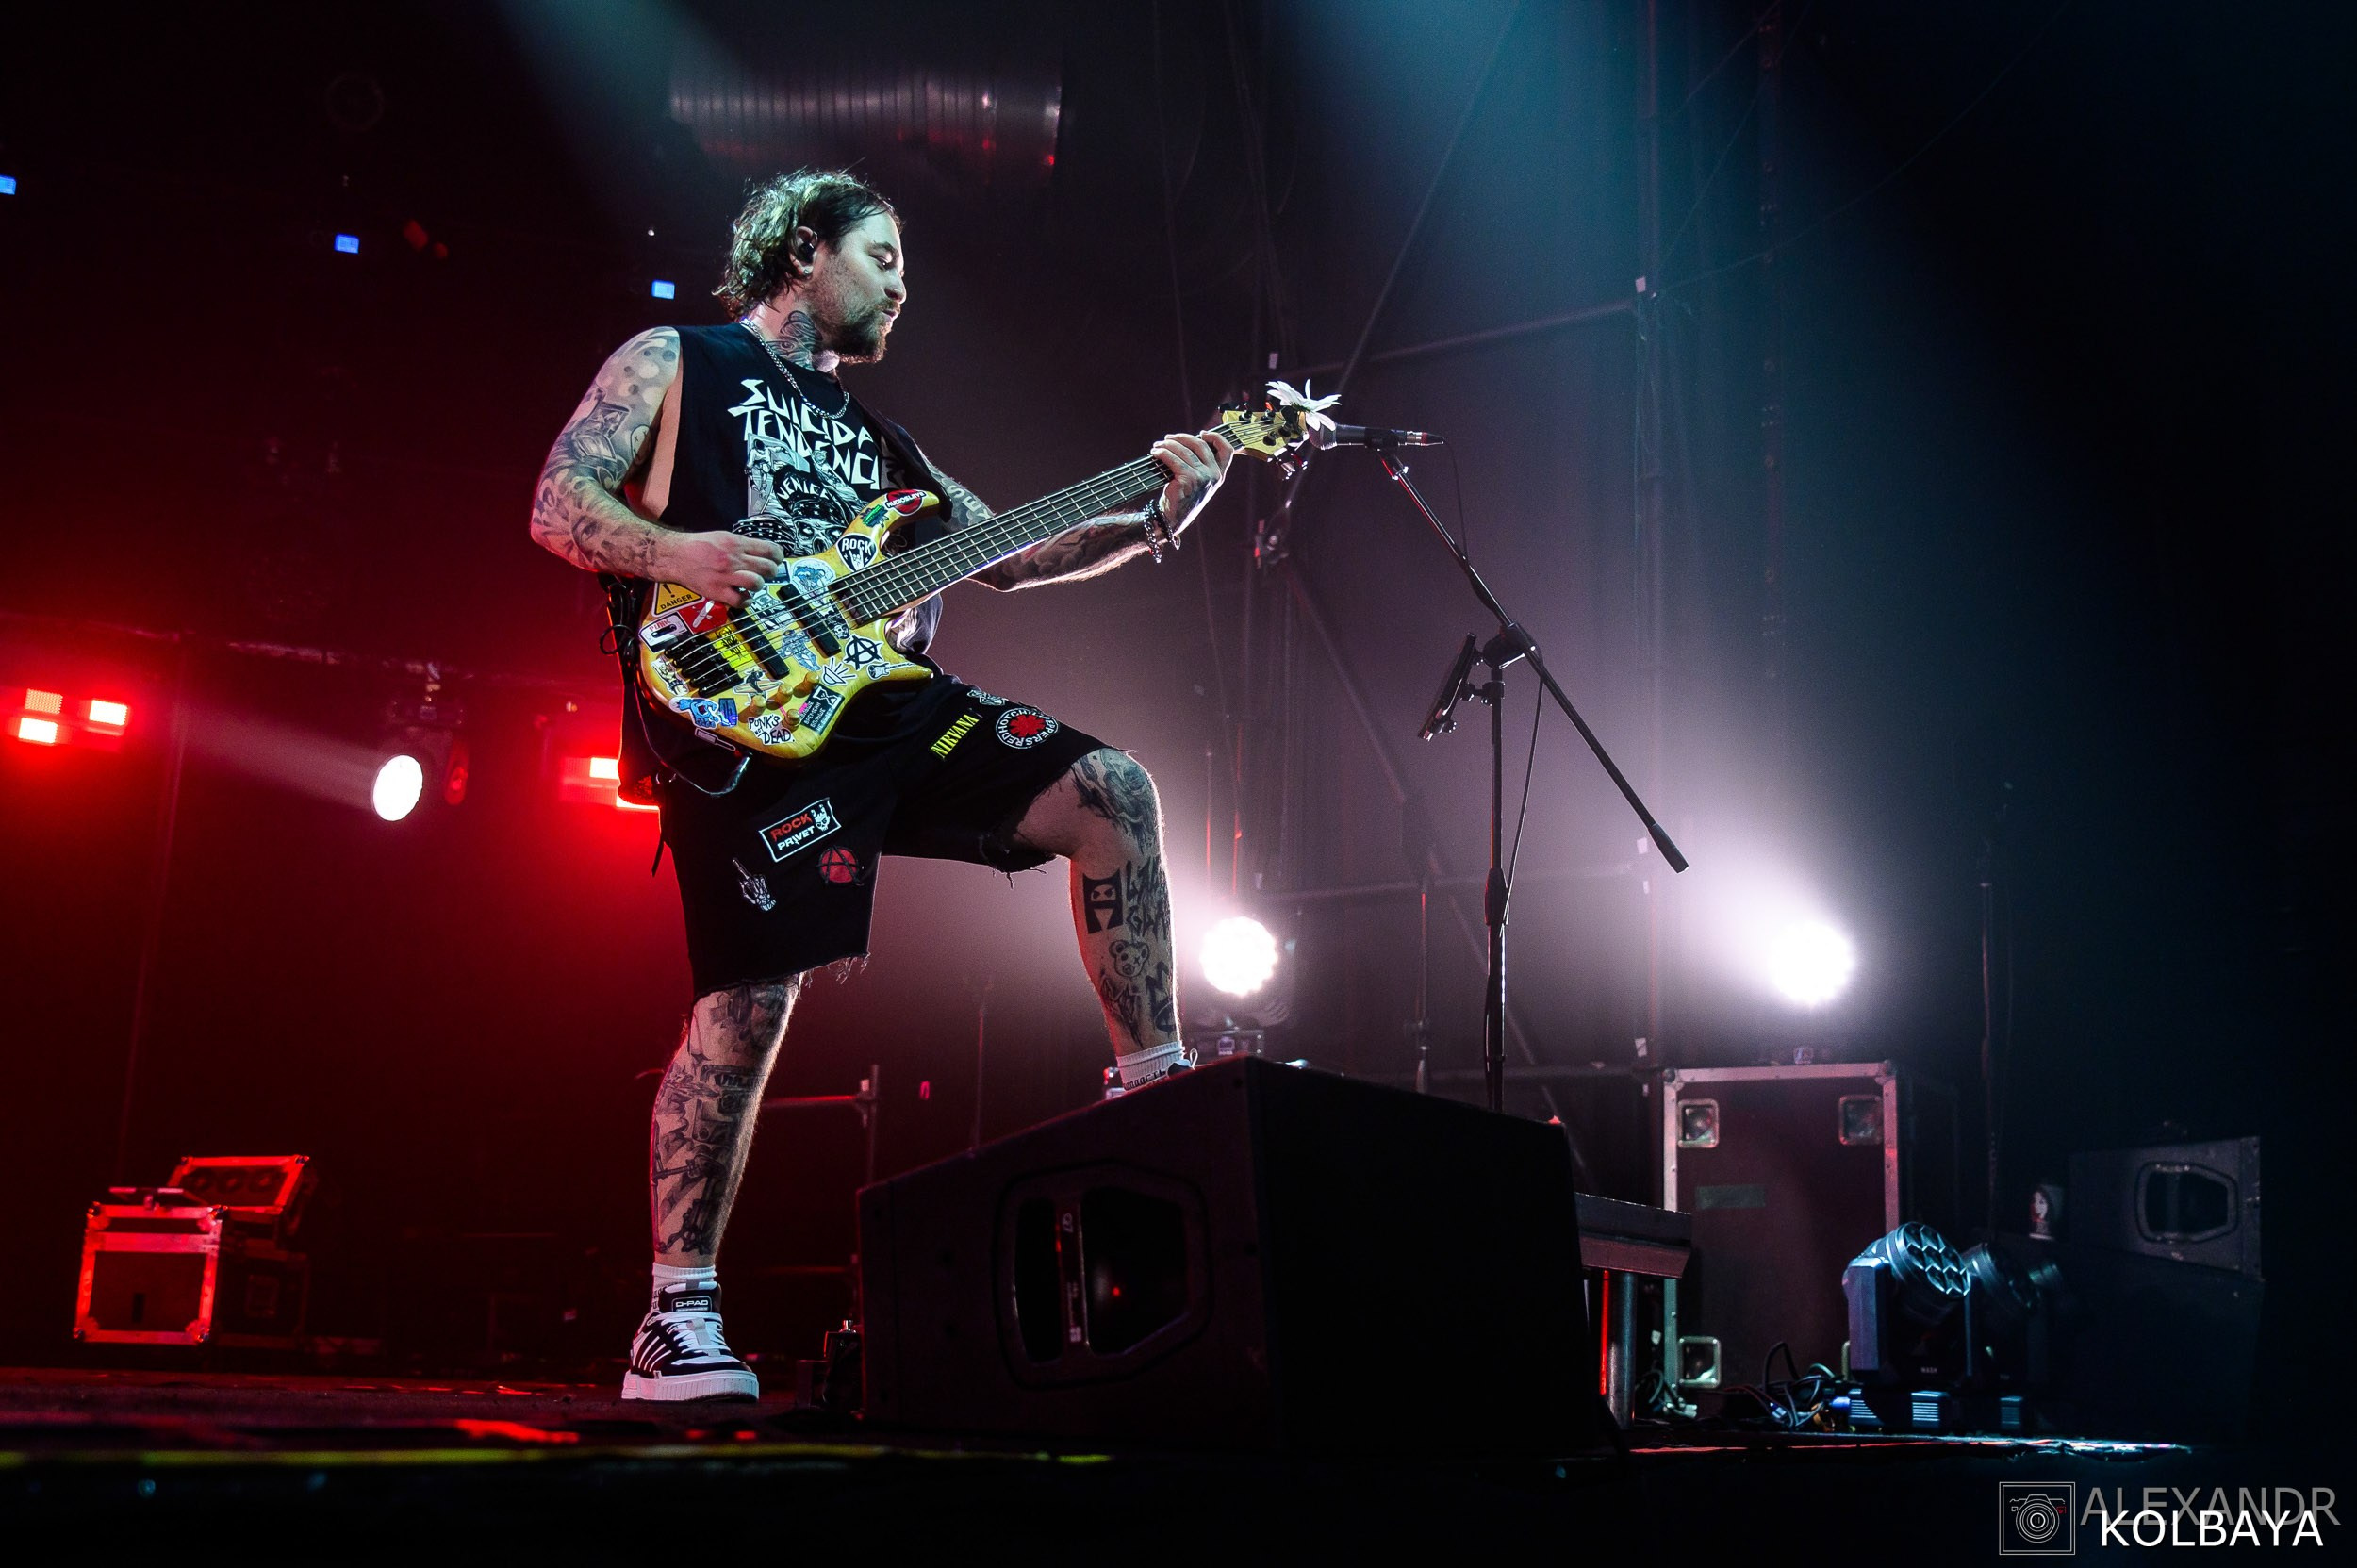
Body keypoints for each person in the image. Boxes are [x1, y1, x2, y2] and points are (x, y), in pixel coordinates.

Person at [528, 169, 1234, 1402]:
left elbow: (1020, 556)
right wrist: (677, 550)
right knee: (751, 1006)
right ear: (805, 250)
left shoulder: (887, 449)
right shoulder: (677, 362)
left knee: (1112, 793)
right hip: (739, 708)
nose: (904, 285)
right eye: (885, 256)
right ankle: (675, 1317)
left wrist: (1164, 510)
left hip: (885, 704)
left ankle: (1154, 1106)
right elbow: (558, 501)